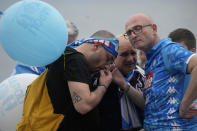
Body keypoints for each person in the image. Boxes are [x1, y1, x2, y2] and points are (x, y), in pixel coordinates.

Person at [17, 30, 119, 131]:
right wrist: (103, 85)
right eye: (108, 58)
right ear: (96, 46)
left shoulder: (66, 55)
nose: (107, 66)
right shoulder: (75, 60)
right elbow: (84, 105)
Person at [122, 13, 197, 130]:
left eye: (138, 28)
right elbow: (150, 103)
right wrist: (122, 83)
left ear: (154, 29)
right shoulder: (151, 57)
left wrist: (185, 104)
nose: (133, 35)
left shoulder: (168, 50)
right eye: (129, 32)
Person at [98, 34, 144, 131]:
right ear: (113, 56)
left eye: (133, 53)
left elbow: (149, 105)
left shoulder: (142, 74)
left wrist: (124, 84)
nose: (130, 59)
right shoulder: (101, 76)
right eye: (124, 54)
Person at [11, 20, 79, 75]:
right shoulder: (34, 55)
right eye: (60, 39)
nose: (61, 46)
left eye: (67, 42)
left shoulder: (70, 59)